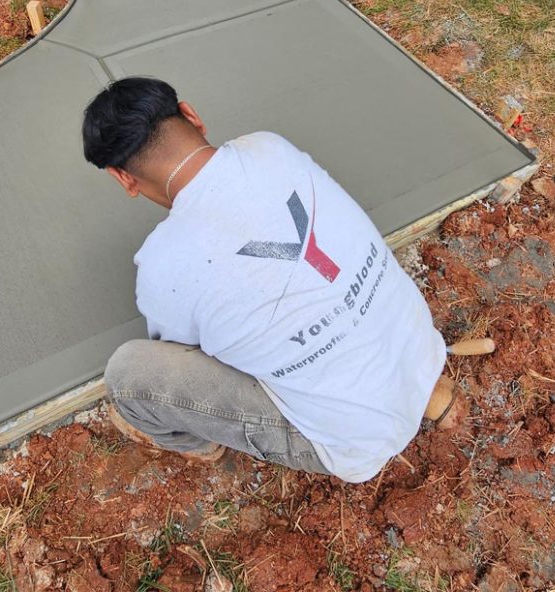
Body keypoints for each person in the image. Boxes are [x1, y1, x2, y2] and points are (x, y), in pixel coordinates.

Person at [81, 77, 454, 483]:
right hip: (419, 351)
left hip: (352, 438)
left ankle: (203, 446)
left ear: (124, 178)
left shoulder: (159, 267)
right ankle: (420, 393)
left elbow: (185, 355)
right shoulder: (269, 146)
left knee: (131, 377)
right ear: (191, 115)